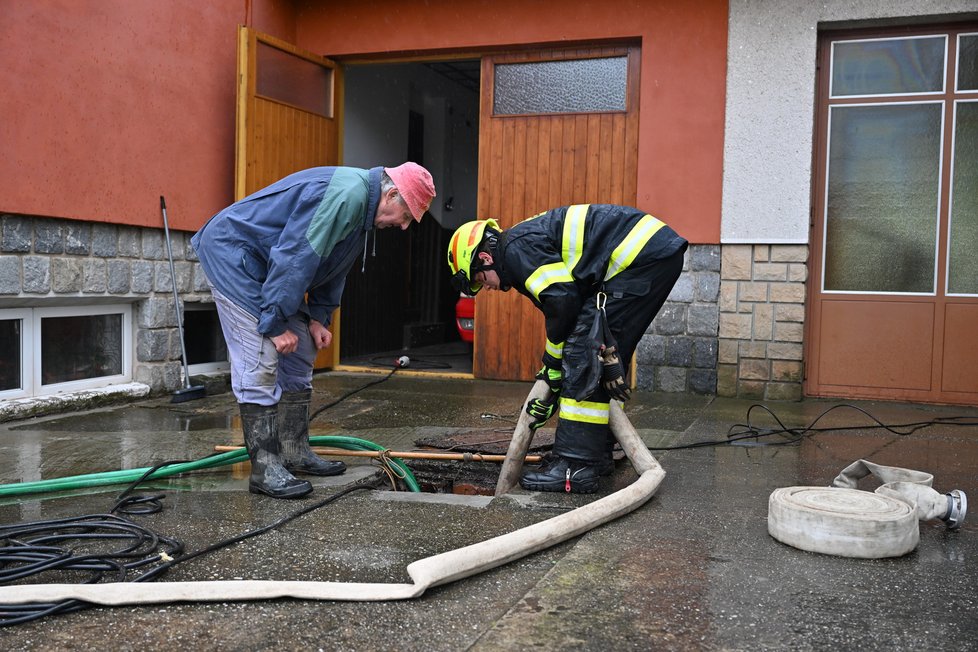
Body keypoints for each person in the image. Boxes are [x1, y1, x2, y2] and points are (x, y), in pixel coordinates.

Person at [192, 163, 436, 498]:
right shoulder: (344, 196)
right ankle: (265, 470)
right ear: (392, 194)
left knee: (304, 346)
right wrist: (275, 324)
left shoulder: (361, 210)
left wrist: (319, 317)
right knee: (260, 358)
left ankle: (294, 451)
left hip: (268, 267)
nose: (404, 226)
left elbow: (335, 264)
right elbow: (295, 257)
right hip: (235, 258)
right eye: (406, 216)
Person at [447, 204, 687, 493]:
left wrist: (552, 364)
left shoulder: (514, 252)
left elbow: (563, 302)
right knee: (592, 352)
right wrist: (553, 372)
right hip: (650, 256)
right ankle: (595, 457)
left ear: (485, 258)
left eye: (480, 279)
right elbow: (566, 304)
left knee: (584, 353)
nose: (486, 288)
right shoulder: (519, 245)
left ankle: (576, 465)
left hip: (639, 261)